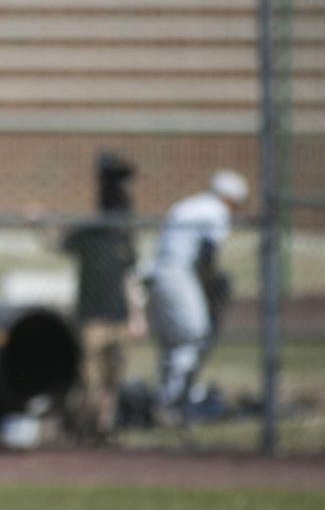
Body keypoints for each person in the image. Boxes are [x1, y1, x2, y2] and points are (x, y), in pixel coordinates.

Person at [145, 169, 249, 423]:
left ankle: (167, 396)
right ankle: (175, 401)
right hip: (179, 274)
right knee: (194, 334)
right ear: (231, 198)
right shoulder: (216, 211)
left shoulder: (190, 205)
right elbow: (206, 254)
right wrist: (211, 286)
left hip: (156, 273)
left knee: (171, 341)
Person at [61, 152, 139, 441]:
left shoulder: (123, 237)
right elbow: (60, 243)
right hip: (92, 316)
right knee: (89, 379)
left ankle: (105, 428)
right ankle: (87, 428)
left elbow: (131, 277)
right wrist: (38, 223)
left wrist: (136, 316)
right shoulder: (91, 234)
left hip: (118, 316)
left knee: (112, 379)